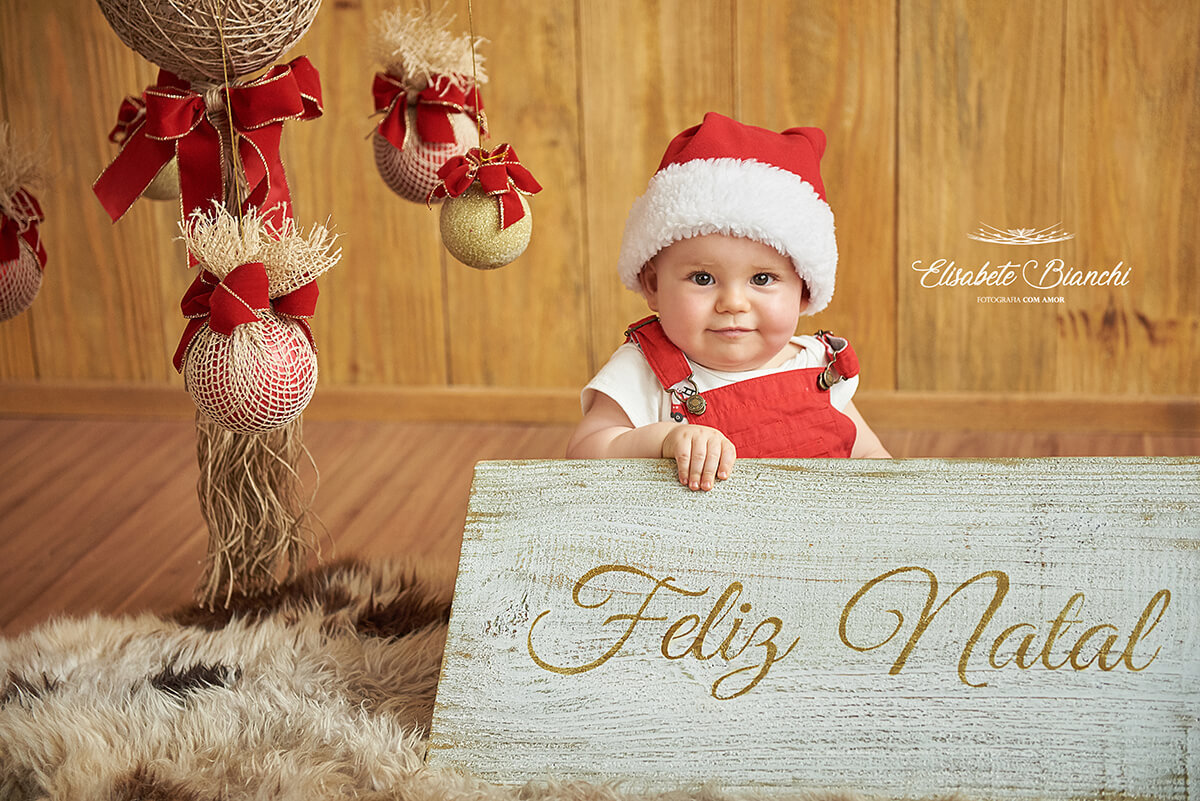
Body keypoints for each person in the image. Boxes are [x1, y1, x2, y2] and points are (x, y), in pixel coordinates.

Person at [566, 112, 891, 490]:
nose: (733, 302)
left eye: (762, 279)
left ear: (804, 291)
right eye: (703, 279)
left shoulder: (816, 367)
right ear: (652, 285)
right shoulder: (644, 370)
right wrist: (662, 440)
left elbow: (869, 456)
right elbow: (584, 452)